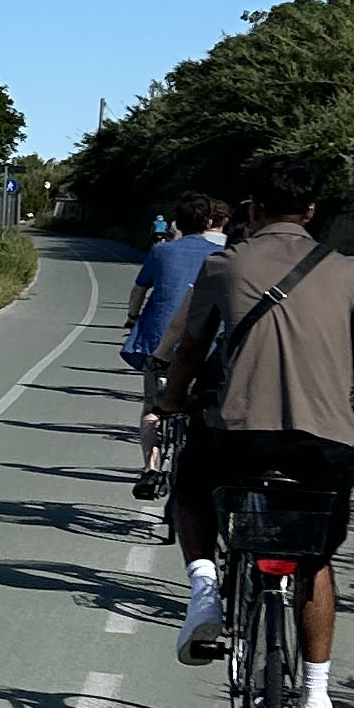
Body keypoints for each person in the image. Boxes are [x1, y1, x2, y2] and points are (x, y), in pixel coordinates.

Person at [156, 154, 354, 708]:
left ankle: (205, 589)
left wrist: (173, 399)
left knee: (190, 485)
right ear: (312, 210)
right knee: (314, 559)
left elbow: (190, 349)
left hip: (240, 435)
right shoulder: (348, 273)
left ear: (253, 210)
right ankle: (316, 698)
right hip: (325, 440)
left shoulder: (224, 265)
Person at [121, 192, 220, 499]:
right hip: (208, 344)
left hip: (159, 342)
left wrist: (132, 317)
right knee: (209, 406)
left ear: (177, 222)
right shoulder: (222, 256)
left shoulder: (161, 252)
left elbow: (139, 289)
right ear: (209, 222)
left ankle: (151, 470)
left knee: (152, 409)